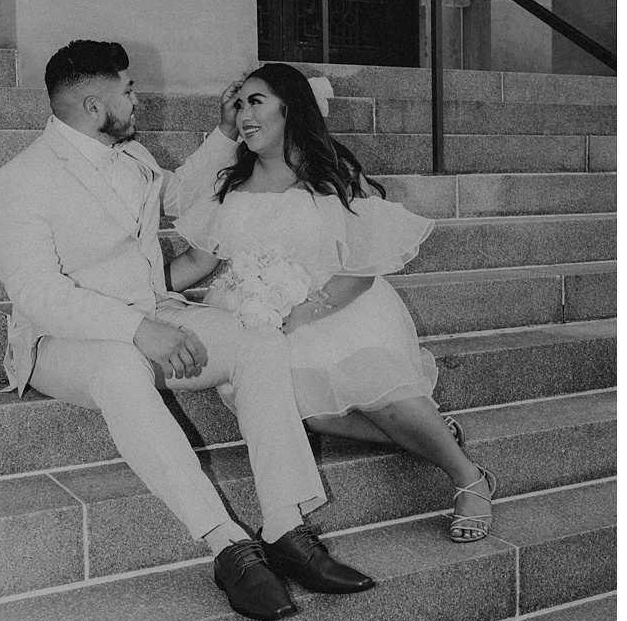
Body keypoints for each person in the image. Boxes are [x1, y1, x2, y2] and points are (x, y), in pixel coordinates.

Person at [0, 40, 375, 621]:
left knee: (259, 338)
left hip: (156, 313)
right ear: (94, 105)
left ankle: (287, 529)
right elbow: (38, 294)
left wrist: (222, 133)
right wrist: (139, 330)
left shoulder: (133, 155)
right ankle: (226, 546)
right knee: (120, 368)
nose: (136, 99)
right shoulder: (18, 182)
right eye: (128, 90)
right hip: (61, 344)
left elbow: (181, 196)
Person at [169, 63, 497, 542]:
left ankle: (470, 480)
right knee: (302, 408)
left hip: (336, 310)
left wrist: (301, 312)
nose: (244, 116)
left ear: (290, 107)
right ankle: (433, 433)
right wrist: (129, 287)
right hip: (261, 325)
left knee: (372, 385)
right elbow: (198, 262)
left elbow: (361, 271)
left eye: (255, 102)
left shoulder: (333, 177)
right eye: (238, 105)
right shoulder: (230, 185)